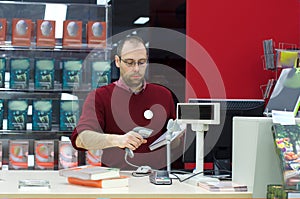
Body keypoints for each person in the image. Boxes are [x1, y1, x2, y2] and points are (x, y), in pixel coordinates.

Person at [71, 36, 177, 170]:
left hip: (158, 180)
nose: (136, 69)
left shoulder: (163, 95)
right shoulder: (100, 96)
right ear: (117, 61)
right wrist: (118, 140)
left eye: (141, 62)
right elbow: (80, 139)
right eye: (130, 62)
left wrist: (179, 134)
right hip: (116, 180)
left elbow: (174, 144)